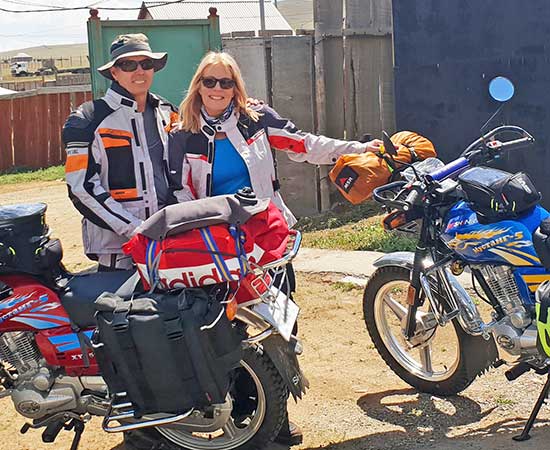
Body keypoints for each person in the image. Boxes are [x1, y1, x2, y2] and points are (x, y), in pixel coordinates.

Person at [168, 51, 383, 446]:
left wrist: (356, 149)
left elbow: (303, 144)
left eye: (226, 82)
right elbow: (178, 192)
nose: (218, 89)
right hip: (215, 246)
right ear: (198, 85)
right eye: (210, 81)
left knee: (279, 326)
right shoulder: (182, 132)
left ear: (236, 87)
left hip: (267, 239)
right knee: (225, 327)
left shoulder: (254, 118)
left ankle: (278, 415)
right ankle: (245, 411)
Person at [62, 33, 178, 271]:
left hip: (169, 240)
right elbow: (80, 186)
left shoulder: (169, 112)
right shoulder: (87, 119)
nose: (139, 71)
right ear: (114, 72)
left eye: (146, 64)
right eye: (128, 65)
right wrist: (135, 230)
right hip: (119, 250)